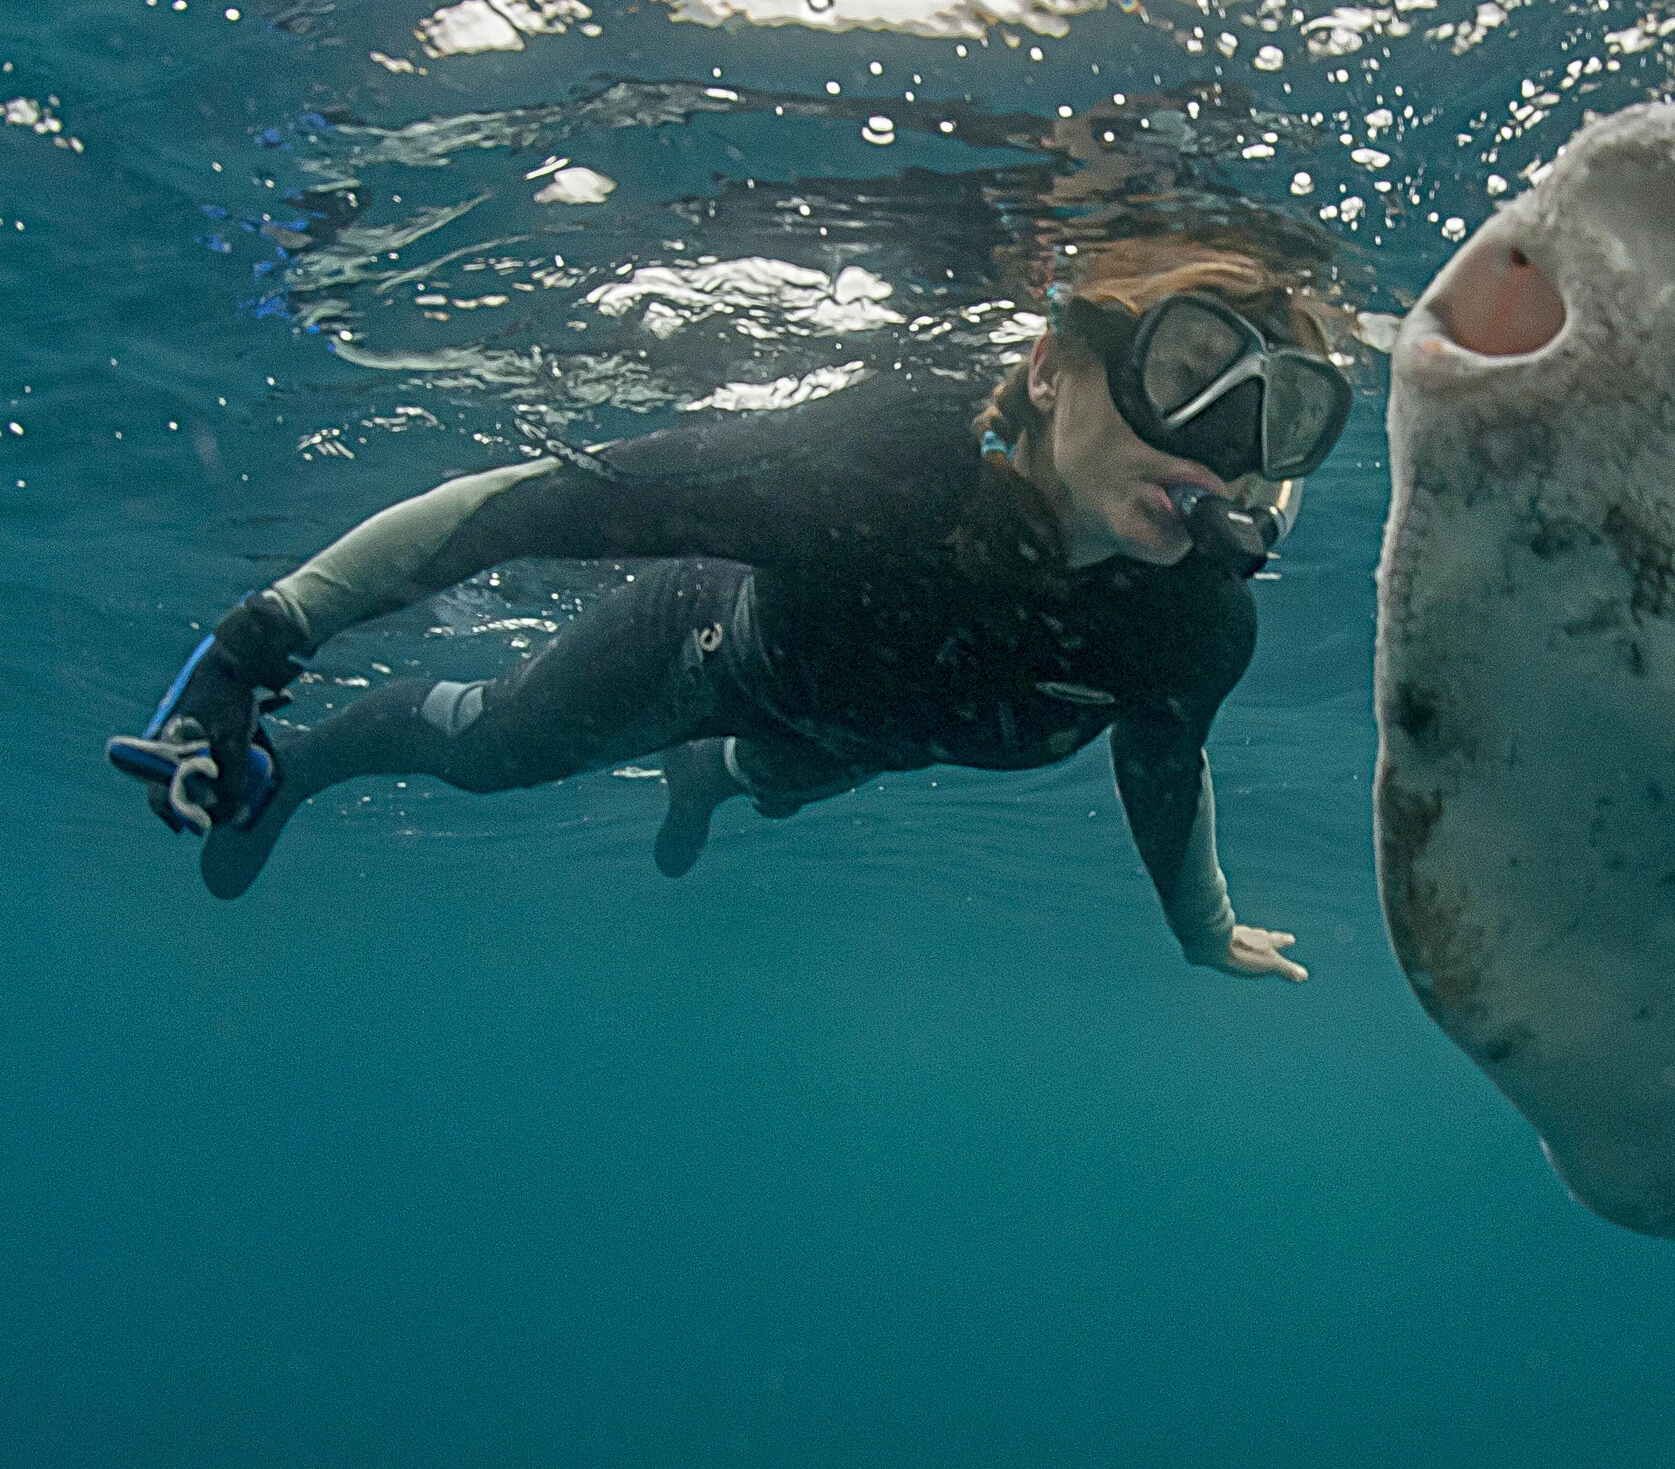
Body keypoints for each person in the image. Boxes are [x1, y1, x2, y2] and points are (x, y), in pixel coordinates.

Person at [109, 236, 1354, 981]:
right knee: (496, 754)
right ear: (1048, 366)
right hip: (712, 654)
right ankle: (309, 767)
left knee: (775, 776)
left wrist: (1205, 929)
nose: (1219, 450)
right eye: (1185, 379)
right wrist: (256, 641)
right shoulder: (877, 473)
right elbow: (529, 508)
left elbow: (1164, 766)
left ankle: (710, 779)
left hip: (850, 732)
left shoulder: (1192, 623)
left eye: (1272, 421)